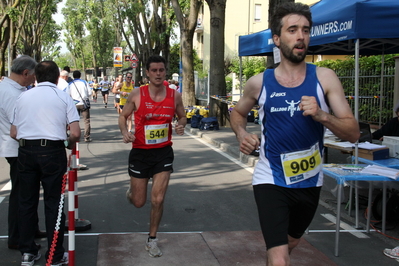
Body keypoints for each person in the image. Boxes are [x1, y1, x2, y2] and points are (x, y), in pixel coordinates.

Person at [230, 3, 360, 266]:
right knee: (279, 258)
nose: (301, 36)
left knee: (289, 244)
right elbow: (237, 113)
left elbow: (353, 133)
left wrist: (323, 115)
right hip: (270, 178)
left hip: (310, 181)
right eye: (292, 30)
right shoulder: (259, 82)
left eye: (305, 30)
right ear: (277, 39)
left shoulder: (325, 78)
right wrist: (241, 134)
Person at [10, 60, 80, 266]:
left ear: (36, 76)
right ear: (57, 77)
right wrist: (66, 143)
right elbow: (75, 133)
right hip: (52, 152)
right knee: (54, 205)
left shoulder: (23, 97)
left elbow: (13, 132)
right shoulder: (63, 96)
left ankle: (28, 253)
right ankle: (55, 255)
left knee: (26, 202)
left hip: (25, 152)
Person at [118, 55, 186, 258]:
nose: (158, 74)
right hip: (140, 153)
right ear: (147, 73)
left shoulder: (175, 95)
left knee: (157, 199)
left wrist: (181, 124)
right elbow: (123, 116)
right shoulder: (137, 94)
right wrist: (124, 132)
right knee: (139, 201)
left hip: (163, 153)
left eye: (161, 70)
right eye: (154, 70)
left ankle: (152, 239)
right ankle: (131, 192)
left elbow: (182, 116)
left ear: (165, 72)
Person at [0, 54, 47, 251]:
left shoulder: (11, 88)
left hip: (18, 148)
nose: (35, 79)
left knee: (28, 192)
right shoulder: (12, 94)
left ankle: (30, 229)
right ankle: (17, 236)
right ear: (25, 73)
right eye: (34, 75)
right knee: (21, 195)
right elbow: (17, 127)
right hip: (18, 149)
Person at [68, 70, 92, 142]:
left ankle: (75, 136)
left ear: (73, 76)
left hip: (74, 104)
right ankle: (86, 136)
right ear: (80, 75)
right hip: (84, 103)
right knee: (86, 120)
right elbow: (90, 92)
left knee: (74, 120)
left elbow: (67, 94)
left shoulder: (70, 84)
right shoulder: (84, 82)